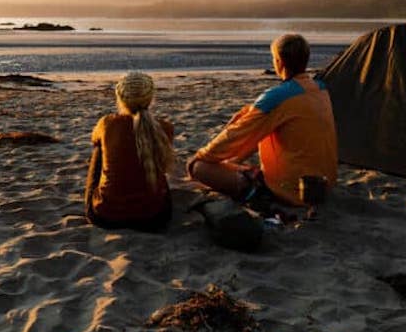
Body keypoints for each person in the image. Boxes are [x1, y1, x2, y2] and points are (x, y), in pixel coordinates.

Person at [186, 34, 337, 206]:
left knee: (199, 167)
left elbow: (234, 135)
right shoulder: (320, 89)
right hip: (323, 184)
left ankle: (256, 191)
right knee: (253, 118)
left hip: (291, 189)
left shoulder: (277, 97)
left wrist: (200, 156)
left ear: (279, 62)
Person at [85, 71, 175, 230]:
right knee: (154, 155)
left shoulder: (107, 123)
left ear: (119, 98)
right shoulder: (164, 127)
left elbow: (94, 140)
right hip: (155, 218)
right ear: (151, 98)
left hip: (106, 216)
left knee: (99, 148)